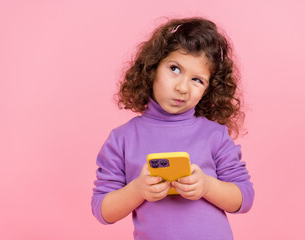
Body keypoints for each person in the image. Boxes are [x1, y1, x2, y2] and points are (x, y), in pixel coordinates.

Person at [91, 17, 254, 240]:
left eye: (197, 80)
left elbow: (244, 198)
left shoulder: (215, 135)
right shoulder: (122, 139)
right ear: (152, 68)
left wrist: (206, 186)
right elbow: (102, 210)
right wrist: (138, 190)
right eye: (175, 69)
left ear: (209, 89)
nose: (182, 88)